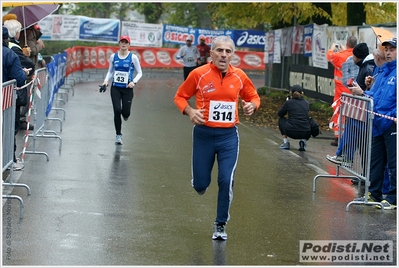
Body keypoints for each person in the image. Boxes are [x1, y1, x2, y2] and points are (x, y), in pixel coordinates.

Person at [174, 36, 260, 240]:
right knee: (200, 185)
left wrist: (252, 106)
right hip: (203, 135)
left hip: (228, 137)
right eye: (219, 50)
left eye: (228, 51)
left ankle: (220, 223)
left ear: (233, 55)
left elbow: (253, 96)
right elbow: (179, 96)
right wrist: (189, 111)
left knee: (226, 179)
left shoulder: (239, 76)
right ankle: (200, 183)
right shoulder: (198, 74)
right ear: (211, 53)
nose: (223, 54)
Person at [350, 37, 397, 210]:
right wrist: (365, 91)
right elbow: (375, 98)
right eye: (387, 50)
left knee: (393, 163)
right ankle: (374, 193)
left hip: (391, 123)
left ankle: (393, 197)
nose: (388, 52)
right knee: (376, 161)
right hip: (378, 122)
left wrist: (393, 116)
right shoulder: (383, 72)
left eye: (392, 49)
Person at [326, 42, 375, 165]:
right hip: (358, 104)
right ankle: (345, 156)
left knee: (363, 143)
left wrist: (333, 48)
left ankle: (346, 156)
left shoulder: (367, 67)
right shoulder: (364, 65)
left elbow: (330, 56)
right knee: (354, 133)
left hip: (362, 107)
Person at [101, 35, 143, 145]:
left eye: (126, 42)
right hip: (115, 88)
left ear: (129, 44)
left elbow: (140, 72)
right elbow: (110, 71)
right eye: (122, 42)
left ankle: (126, 115)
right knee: (117, 110)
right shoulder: (113, 57)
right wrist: (106, 81)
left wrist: (133, 82)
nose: (124, 44)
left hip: (127, 89)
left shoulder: (133, 57)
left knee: (125, 112)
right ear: (119, 44)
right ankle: (118, 135)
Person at [2, 26, 30, 171]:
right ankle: (9, 161)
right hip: (5, 102)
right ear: (6, 39)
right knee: (7, 130)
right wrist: (24, 73)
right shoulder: (9, 54)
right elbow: (18, 79)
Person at [3, 17, 36, 131]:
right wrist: (24, 71)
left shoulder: (11, 48)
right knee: (10, 129)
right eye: (19, 31)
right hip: (9, 96)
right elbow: (20, 74)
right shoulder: (12, 50)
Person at [326, 36, 358, 146]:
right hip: (354, 90)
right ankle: (352, 137)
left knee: (339, 112)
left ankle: (339, 137)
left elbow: (329, 56)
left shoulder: (340, 56)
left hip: (341, 90)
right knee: (353, 113)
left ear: (347, 43)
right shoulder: (357, 55)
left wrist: (332, 48)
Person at [278, 85, 311, 151]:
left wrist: (286, 102)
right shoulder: (307, 103)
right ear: (302, 93)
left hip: (291, 132)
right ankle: (303, 141)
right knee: (308, 120)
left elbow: (280, 114)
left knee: (281, 120)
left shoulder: (288, 102)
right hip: (305, 132)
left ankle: (286, 143)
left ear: (291, 93)